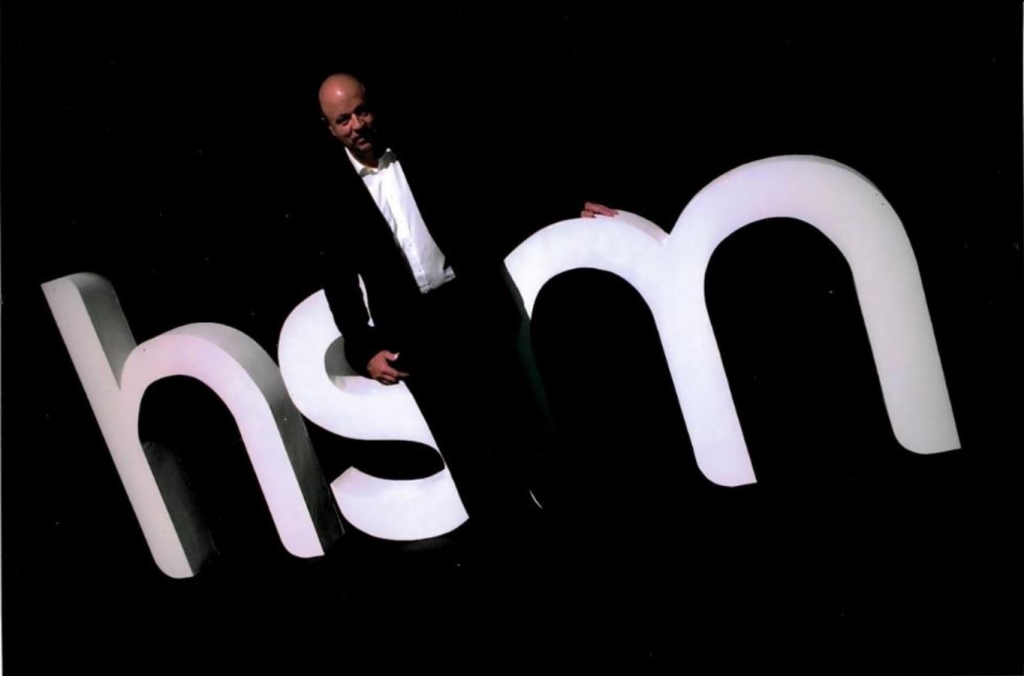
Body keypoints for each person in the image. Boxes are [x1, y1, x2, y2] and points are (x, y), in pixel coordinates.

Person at [316, 72, 614, 529]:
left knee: (522, 428)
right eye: (344, 119)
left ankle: (572, 528)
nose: (357, 124)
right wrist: (363, 346)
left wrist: (565, 204)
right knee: (466, 454)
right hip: (412, 332)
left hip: (471, 308)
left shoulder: (423, 148)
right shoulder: (328, 192)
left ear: (373, 106)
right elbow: (337, 278)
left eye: (362, 111)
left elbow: (495, 186)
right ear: (330, 128)